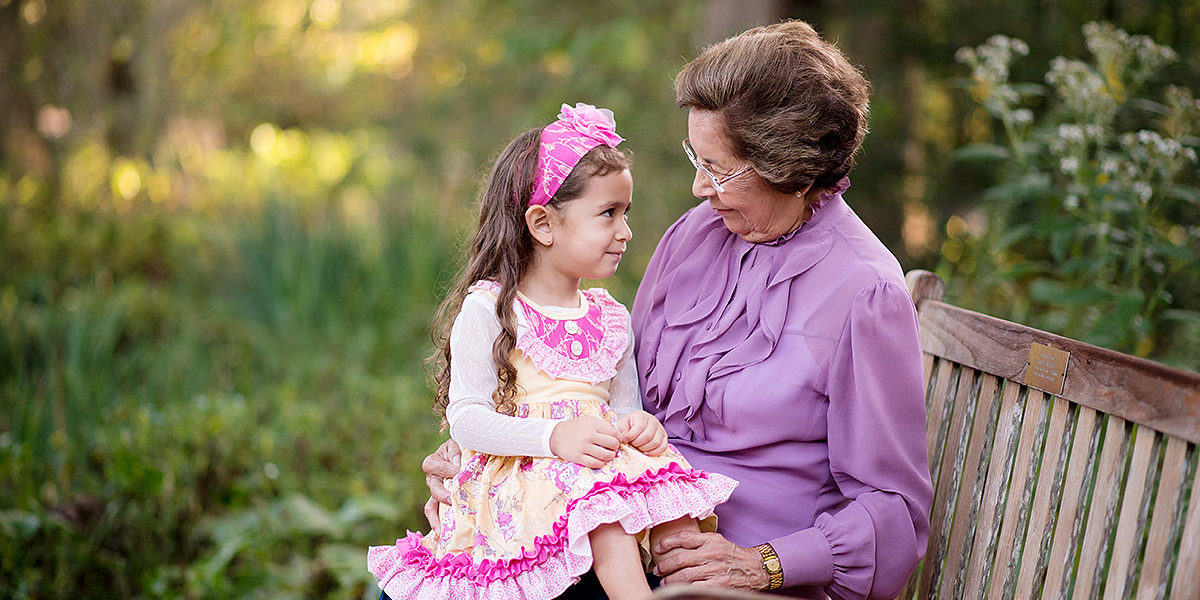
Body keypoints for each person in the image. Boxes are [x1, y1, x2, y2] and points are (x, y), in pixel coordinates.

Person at [421, 21, 933, 600]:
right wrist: (492, 459)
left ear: (788, 169)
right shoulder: (694, 237)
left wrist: (763, 563)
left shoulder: (865, 291)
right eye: (697, 157)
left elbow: (894, 514)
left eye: (718, 168)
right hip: (618, 531)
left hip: (726, 578)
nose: (697, 187)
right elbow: (599, 393)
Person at [366, 103, 737, 600]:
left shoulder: (611, 317)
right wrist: (554, 437)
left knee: (672, 511)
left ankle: (690, 588)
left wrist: (640, 426)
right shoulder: (492, 311)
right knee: (602, 512)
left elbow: (623, 408)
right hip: (529, 470)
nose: (625, 231)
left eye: (626, 213)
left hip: (592, 462)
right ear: (543, 224)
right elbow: (468, 419)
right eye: (608, 214)